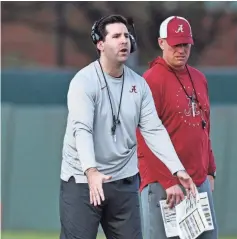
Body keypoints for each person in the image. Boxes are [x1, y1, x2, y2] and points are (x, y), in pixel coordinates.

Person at [59, 14, 196, 239]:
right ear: (100, 44)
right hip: (83, 182)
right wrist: (91, 171)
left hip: (123, 181)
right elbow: (82, 129)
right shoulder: (83, 82)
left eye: (126, 35)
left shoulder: (139, 85)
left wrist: (177, 168)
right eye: (116, 36)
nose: (124, 40)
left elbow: (153, 129)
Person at [137, 16, 218, 239]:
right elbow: (143, 136)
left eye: (186, 44)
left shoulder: (199, 78)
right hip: (164, 182)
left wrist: (210, 170)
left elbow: (204, 127)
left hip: (197, 181)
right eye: (175, 44)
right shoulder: (151, 80)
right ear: (162, 43)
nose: (181, 50)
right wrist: (168, 180)